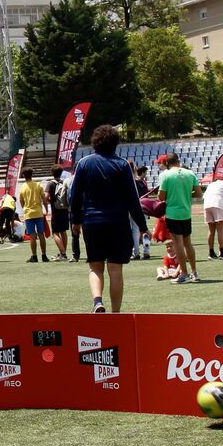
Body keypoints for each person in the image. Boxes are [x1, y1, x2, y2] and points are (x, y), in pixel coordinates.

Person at [68, 124, 149, 313]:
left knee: (95, 267)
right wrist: (143, 225)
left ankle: (97, 301)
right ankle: (115, 313)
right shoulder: (122, 165)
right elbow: (132, 200)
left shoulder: (84, 163)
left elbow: (75, 196)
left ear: (95, 142)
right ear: (115, 143)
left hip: (92, 222)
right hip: (117, 224)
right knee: (115, 270)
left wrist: (76, 221)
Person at [158, 153, 202, 284]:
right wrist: (186, 192)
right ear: (178, 161)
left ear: (167, 163)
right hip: (186, 212)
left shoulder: (165, 175)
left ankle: (184, 274)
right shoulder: (189, 173)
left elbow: (161, 196)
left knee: (178, 244)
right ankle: (194, 272)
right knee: (188, 242)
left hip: (173, 213)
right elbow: (199, 193)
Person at [18, 168, 49, 263]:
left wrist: (25, 209)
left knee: (32, 236)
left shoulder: (22, 187)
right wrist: (46, 210)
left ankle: (34, 256)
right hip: (38, 212)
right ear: (32, 175)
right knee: (41, 235)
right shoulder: (38, 185)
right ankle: (44, 255)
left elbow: (21, 201)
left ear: (23, 175)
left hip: (28, 214)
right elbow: (44, 200)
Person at [46, 165, 71, 261]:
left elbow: (46, 196)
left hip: (55, 211)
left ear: (52, 173)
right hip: (64, 209)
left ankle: (63, 254)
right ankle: (63, 253)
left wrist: (49, 202)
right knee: (63, 232)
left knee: (55, 233)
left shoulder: (51, 184)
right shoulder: (63, 182)